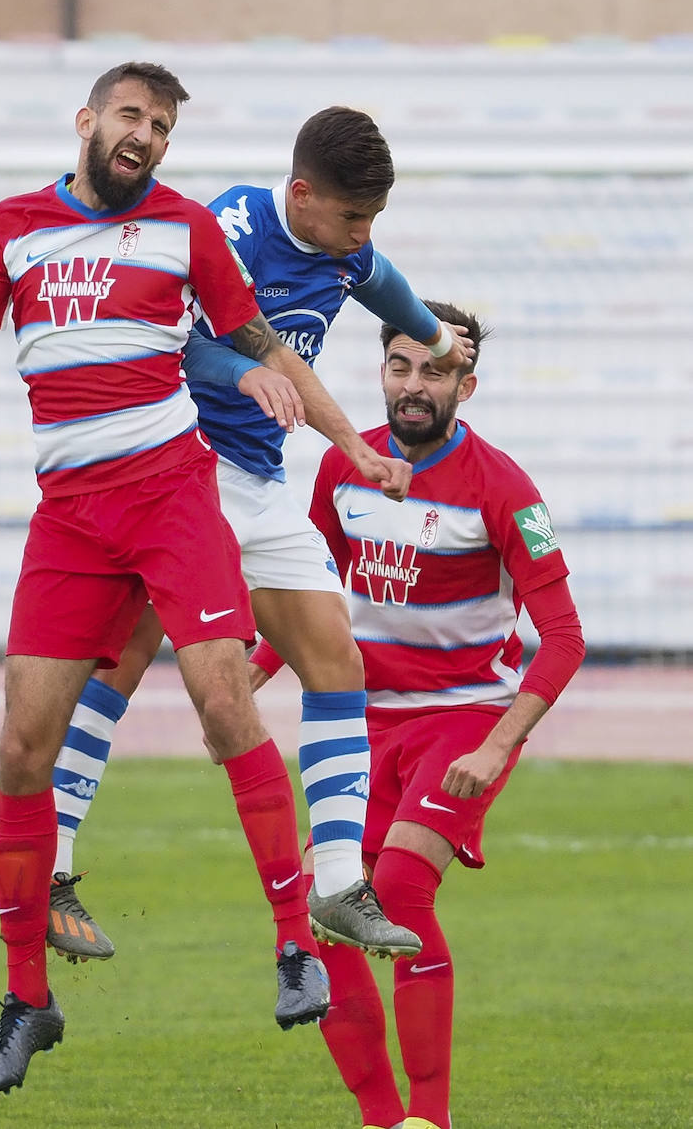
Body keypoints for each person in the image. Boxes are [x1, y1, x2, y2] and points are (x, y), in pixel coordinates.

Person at [0, 65, 415, 1096]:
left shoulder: (185, 228)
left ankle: (295, 946)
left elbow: (258, 342)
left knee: (224, 696)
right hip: (70, 518)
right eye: (130, 116)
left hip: (172, 494)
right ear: (87, 121)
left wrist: (345, 437)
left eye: (159, 125)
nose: (144, 134)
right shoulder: (14, 227)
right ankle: (27, 1000)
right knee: (22, 743)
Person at [43, 109, 473, 987]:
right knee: (121, 658)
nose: (363, 236)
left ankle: (341, 883)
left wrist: (434, 337)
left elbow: (390, 288)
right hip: (176, 467)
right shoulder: (229, 230)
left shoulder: (347, 248)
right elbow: (175, 345)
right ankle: (50, 865)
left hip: (257, 479)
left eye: (372, 221)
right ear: (303, 196)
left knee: (334, 659)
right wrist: (264, 384)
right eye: (353, 217)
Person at [251, 301, 585, 1129]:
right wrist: (249, 672)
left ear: (466, 387)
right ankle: (380, 1119)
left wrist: (501, 744)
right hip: (361, 721)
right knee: (331, 912)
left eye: (434, 371)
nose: (413, 384)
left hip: (464, 720)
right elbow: (312, 593)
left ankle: (430, 1121)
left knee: (397, 889)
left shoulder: (504, 488)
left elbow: (567, 638)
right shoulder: (343, 467)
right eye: (401, 365)